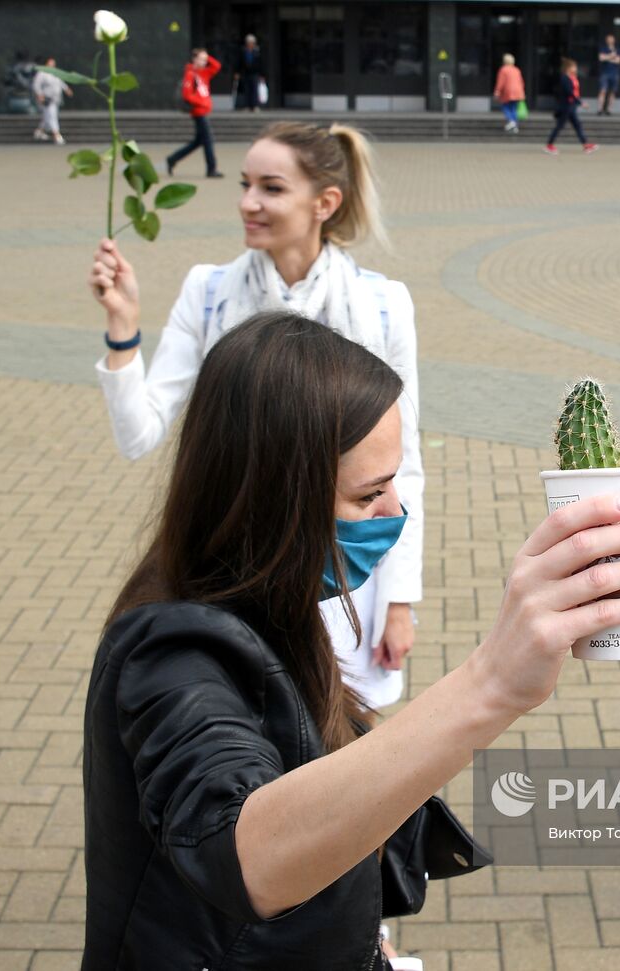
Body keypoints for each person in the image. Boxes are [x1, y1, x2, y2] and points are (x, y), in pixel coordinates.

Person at [82, 310, 620, 969]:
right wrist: (492, 683)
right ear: (273, 500)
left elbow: (316, 787)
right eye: (368, 494)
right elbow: (244, 854)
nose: (396, 510)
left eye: (396, 479)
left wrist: (370, 938)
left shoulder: (273, 598)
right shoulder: (169, 651)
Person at [90, 121, 421, 709]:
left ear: (325, 203)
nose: (248, 203)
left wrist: (399, 600)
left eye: (271, 188)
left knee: (335, 737)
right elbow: (139, 435)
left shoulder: (382, 304)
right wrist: (123, 331)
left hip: (343, 571)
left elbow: (402, 466)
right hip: (236, 569)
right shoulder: (210, 291)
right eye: (245, 185)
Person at [167, 48, 223, 179]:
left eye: (205, 60)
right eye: (201, 59)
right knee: (208, 140)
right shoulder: (190, 74)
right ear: (194, 59)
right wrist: (202, 103)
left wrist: (207, 57)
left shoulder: (204, 73)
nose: (204, 62)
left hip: (203, 110)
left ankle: (172, 159)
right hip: (199, 112)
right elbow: (187, 95)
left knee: (198, 142)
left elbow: (217, 66)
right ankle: (211, 169)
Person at [543, 58, 597, 156]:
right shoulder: (564, 78)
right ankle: (549, 145)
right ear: (568, 68)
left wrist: (577, 102)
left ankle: (586, 145)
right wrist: (581, 102)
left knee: (577, 125)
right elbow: (569, 92)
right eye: (574, 66)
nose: (576, 68)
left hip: (571, 106)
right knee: (560, 126)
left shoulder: (572, 77)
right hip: (566, 106)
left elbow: (574, 91)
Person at [32, 56, 73, 145]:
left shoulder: (55, 73)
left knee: (48, 117)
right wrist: (40, 95)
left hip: (56, 98)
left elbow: (60, 82)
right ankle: (57, 135)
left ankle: (39, 132)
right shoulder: (42, 73)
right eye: (50, 63)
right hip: (47, 98)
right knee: (52, 116)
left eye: (53, 63)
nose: (52, 64)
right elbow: (36, 85)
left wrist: (66, 89)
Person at [493, 53, 526, 134]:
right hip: (518, 91)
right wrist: (522, 92)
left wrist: (497, 91)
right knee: (514, 109)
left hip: (508, 91)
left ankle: (511, 122)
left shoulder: (503, 69)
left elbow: (501, 82)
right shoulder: (516, 69)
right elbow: (521, 82)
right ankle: (514, 126)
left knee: (505, 107)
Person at [236, 34, 263, 111]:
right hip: (245, 73)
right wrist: (237, 72)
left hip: (255, 73)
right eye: (249, 42)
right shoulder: (243, 51)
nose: (250, 44)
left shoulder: (257, 51)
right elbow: (239, 62)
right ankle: (246, 106)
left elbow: (261, 63)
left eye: (251, 42)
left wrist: (262, 75)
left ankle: (255, 106)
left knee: (255, 90)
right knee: (246, 90)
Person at [597, 34, 620, 115]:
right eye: (608, 39)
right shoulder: (603, 48)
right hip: (605, 73)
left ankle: (609, 109)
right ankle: (600, 109)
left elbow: (618, 61)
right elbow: (600, 58)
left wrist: (606, 58)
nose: (610, 40)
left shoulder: (617, 49)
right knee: (603, 90)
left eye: (611, 39)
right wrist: (611, 56)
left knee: (613, 92)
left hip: (614, 73)